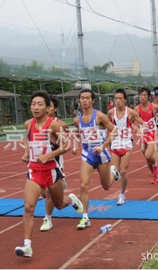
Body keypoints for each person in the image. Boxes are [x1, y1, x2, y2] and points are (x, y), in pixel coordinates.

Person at [15, 91, 83, 258]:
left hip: (52, 171)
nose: (35, 107)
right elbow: (27, 139)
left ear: (47, 108)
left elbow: (66, 145)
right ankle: (27, 246)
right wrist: (26, 152)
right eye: (33, 104)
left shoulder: (54, 125)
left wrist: (48, 156)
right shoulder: (28, 124)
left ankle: (72, 200)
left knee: (59, 204)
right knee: (29, 207)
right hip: (34, 171)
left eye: (39, 104)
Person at [73, 89, 120, 230]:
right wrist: (75, 144)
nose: (84, 100)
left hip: (102, 154)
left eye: (87, 98)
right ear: (79, 100)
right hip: (87, 154)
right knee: (83, 184)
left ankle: (113, 172)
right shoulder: (77, 120)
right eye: (82, 98)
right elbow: (78, 133)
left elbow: (115, 131)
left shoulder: (99, 116)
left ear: (92, 100)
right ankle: (85, 217)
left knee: (106, 186)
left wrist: (103, 145)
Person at [108, 89, 144, 205]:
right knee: (113, 171)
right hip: (115, 144)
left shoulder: (131, 112)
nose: (118, 101)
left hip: (127, 144)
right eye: (116, 99)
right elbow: (107, 126)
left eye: (120, 99)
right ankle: (114, 177)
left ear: (124, 100)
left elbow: (140, 121)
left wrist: (141, 128)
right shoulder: (110, 113)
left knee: (123, 171)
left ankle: (122, 194)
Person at [39, 97, 68, 232]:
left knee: (49, 194)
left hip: (55, 164)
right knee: (51, 198)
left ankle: (47, 218)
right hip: (38, 164)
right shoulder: (35, 123)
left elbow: (65, 142)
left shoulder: (59, 124)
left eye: (50, 106)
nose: (47, 109)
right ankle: (72, 200)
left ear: (54, 109)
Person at [135, 87, 158, 184]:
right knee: (147, 158)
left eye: (144, 95)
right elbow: (131, 121)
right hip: (143, 134)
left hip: (152, 133)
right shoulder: (136, 109)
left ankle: (155, 169)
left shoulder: (154, 107)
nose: (142, 97)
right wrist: (136, 129)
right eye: (141, 95)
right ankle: (155, 172)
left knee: (148, 155)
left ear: (148, 96)